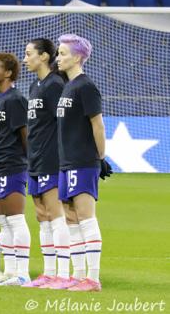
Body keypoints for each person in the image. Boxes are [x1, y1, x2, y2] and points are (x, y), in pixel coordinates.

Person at [56, 34, 112, 291]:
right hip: (67, 161)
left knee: (86, 218)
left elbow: (97, 124)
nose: (59, 57)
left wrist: (100, 158)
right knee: (71, 219)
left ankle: (93, 278)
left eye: (63, 53)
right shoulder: (68, 86)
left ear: (77, 57)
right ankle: (78, 276)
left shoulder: (85, 86)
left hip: (82, 160)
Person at [21, 38, 72, 288]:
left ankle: (63, 273)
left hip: (52, 159)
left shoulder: (55, 85)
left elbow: (64, 123)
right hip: (35, 159)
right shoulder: (34, 85)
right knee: (42, 215)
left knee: (56, 214)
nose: (25, 58)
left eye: (29, 53)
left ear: (43, 57)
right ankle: (49, 272)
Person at [0, 53, 31, 286]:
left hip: (12, 166)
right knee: (2, 221)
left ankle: (22, 272)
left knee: (15, 220)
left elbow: (25, 136)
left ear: (9, 73)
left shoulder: (16, 100)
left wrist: (30, 166)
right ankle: (10, 271)